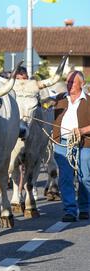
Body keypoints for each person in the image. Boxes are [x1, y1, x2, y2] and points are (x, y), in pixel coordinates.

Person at [53, 71, 90, 222]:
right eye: (67, 82)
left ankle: (85, 208)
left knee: (84, 177)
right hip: (62, 143)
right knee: (65, 178)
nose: (68, 85)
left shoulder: (88, 101)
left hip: (84, 143)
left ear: (81, 84)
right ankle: (70, 210)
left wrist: (82, 130)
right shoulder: (59, 99)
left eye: (72, 83)